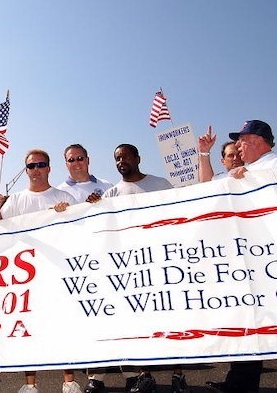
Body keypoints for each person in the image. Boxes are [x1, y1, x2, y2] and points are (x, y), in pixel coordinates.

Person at [206, 119, 277, 393]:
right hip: (247, 262)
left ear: (256, 140)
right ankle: (241, 385)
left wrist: (248, 180)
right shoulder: (239, 171)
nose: (238, 147)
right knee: (250, 328)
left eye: (241, 141)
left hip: (276, 262)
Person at [0, 149, 77, 393]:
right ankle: (30, 385)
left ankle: (69, 382)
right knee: (28, 329)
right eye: (31, 166)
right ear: (26, 170)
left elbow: (82, 228)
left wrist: (67, 215)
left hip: (58, 271)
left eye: (41, 165)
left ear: (49, 168)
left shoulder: (64, 196)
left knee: (61, 327)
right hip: (26, 275)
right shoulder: (16, 200)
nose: (36, 169)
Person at [101, 144, 175, 393]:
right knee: (137, 325)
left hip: (160, 262)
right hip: (129, 267)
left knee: (172, 322)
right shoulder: (110, 194)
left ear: (138, 158)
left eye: (125, 156)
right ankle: (145, 375)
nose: (121, 161)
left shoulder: (161, 184)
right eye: (117, 158)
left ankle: (178, 374)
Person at [55, 144, 110, 392]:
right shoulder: (57, 193)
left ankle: (98, 377)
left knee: (104, 317)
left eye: (79, 158)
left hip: (103, 259)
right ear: (65, 163)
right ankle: (79, 375)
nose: (76, 163)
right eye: (70, 159)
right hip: (72, 264)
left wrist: (101, 206)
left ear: (87, 159)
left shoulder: (108, 187)